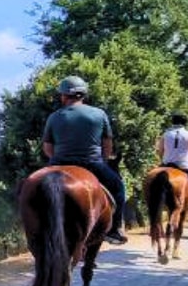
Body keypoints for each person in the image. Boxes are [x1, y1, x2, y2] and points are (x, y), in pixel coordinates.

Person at [41, 76, 127, 244]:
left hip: (59, 163)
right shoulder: (99, 114)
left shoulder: (54, 117)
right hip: (92, 163)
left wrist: (57, 160)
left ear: (64, 96)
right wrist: (103, 160)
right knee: (118, 188)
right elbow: (107, 144)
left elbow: (47, 148)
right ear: (84, 95)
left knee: (29, 186)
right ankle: (115, 229)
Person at [158, 112, 188, 199]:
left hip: (166, 164)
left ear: (172, 122)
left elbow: (160, 151)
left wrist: (163, 161)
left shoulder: (165, 135)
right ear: (185, 122)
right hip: (183, 166)